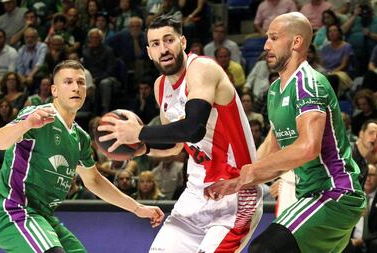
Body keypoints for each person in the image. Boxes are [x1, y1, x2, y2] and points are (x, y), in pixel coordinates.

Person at [98, 14, 263, 253]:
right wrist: (139, 148)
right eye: (156, 44)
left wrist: (140, 133)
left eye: (169, 40)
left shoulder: (202, 69)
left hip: (234, 192)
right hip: (195, 194)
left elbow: (193, 129)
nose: (163, 49)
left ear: (182, 42)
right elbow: (175, 143)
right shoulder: (160, 86)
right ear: (149, 52)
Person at [205, 12, 366, 253]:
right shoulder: (274, 91)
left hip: (335, 193)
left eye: (273, 37)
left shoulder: (308, 83)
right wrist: (236, 182)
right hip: (310, 194)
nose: (266, 45)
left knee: (265, 248)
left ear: (296, 42)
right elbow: (278, 156)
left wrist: (254, 169)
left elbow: (308, 147)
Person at [0, 60, 164, 253]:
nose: (75, 88)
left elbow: (94, 181)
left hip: (44, 217)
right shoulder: (36, 115)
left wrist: (137, 208)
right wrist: (26, 125)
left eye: (80, 82)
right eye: (68, 82)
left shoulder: (80, 137)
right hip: (13, 211)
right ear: (54, 90)